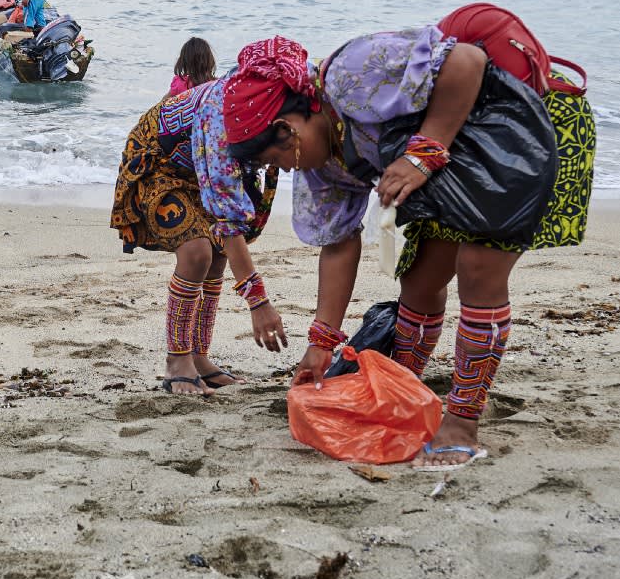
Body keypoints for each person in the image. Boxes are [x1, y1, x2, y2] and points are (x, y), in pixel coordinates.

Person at [224, 27, 594, 470]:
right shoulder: (322, 166)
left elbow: (466, 62)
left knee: (479, 269)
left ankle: (462, 423)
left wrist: (424, 150)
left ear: (287, 130)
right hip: (454, 162)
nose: (282, 171)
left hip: (523, 127)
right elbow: (340, 247)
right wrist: (322, 344)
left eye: (273, 161)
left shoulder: (350, 73)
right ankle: (401, 394)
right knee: (419, 278)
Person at [111, 47, 287, 396]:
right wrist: (258, 301)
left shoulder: (265, 111)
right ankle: (177, 360)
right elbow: (226, 215)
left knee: (219, 255)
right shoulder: (222, 113)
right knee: (196, 252)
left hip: (193, 170)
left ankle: (200, 358)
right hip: (155, 165)